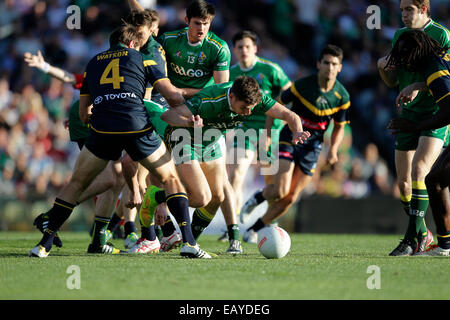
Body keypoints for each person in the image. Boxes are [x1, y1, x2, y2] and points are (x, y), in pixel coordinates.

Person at [29, 24, 211, 259]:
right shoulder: (143, 58)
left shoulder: (93, 63)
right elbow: (172, 95)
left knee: (76, 183)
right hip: (136, 125)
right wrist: (202, 93)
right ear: (133, 43)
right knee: (170, 177)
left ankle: (44, 245)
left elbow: (84, 115)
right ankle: (189, 243)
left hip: (103, 129)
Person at [128, 0, 244, 254]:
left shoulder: (219, 48)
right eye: (197, 23)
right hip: (170, 112)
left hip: (205, 116)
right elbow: (144, 27)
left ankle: (182, 234)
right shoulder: (169, 41)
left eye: (206, 23)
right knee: (154, 170)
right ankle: (152, 232)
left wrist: (183, 91)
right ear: (187, 21)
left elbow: (220, 91)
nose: (202, 28)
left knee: (216, 195)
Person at [159, 76, 310, 246]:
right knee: (201, 197)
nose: (248, 113)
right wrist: (188, 122)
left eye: (251, 109)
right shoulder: (210, 100)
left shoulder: (255, 98)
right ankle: (158, 198)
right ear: (231, 97)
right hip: (184, 138)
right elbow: (168, 115)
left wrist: (297, 131)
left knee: (217, 197)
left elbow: (289, 115)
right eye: (244, 108)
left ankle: (189, 242)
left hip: (210, 141)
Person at [239, 45, 350, 243]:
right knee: (280, 190)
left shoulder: (342, 97)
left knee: (290, 198)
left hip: (313, 148)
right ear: (318, 64)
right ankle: (255, 199)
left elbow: (340, 127)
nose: (330, 68)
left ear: (340, 67)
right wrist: (268, 134)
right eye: (326, 62)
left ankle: (255, 228)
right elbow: (275, 105)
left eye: (334, 64)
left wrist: (333, 150)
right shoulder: (302, 85)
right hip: (290, 138)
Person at [377, 0, 449, 256]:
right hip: (407, 115)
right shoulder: (400, 35)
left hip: (437, 114)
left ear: (424, 9)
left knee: (420, 170)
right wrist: (383, 70)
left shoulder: (441, 34)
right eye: (402, 10)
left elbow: (445, 74)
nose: (404, 15)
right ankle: (422, 232)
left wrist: (418, 86)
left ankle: (411, 239)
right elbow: (392, 80)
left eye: (409, 9)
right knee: (404, 184)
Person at [227, 30, 291, 229]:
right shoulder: (230, 73)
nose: (244, 50)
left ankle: (269, 224)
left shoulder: (271, 70)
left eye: (248, 46)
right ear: (234, 50)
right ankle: (233, 225)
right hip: (243, 129)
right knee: (236, 174)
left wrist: (281, 121)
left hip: (270, 130)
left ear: (255, 48)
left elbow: (291, 94)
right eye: (240, 47)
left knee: (271, 183)